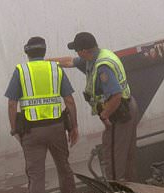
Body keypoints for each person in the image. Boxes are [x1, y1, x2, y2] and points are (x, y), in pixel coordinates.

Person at [5, 36, 79, 193]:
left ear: (27, 52)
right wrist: (74, 127)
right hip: (56, 128)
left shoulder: (21, 71)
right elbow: (69, 100)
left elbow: (12, 104)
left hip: (31, 132)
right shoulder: (55, 69)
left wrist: (14, 130)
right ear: (44, 51)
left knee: (36, 177)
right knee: (64, 169)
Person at [52, 31, 138, 182]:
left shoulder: (103, 66)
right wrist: (44, 62)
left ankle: (118, 191)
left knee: (113, 155)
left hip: (119, 111)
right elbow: (70, 61)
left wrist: (104, 115)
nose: (77, 53)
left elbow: (116, 95)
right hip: (125, 107)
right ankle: (131, 189)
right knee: (124, 154)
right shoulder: (95, 57)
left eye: (77, 50)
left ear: (84, 51)